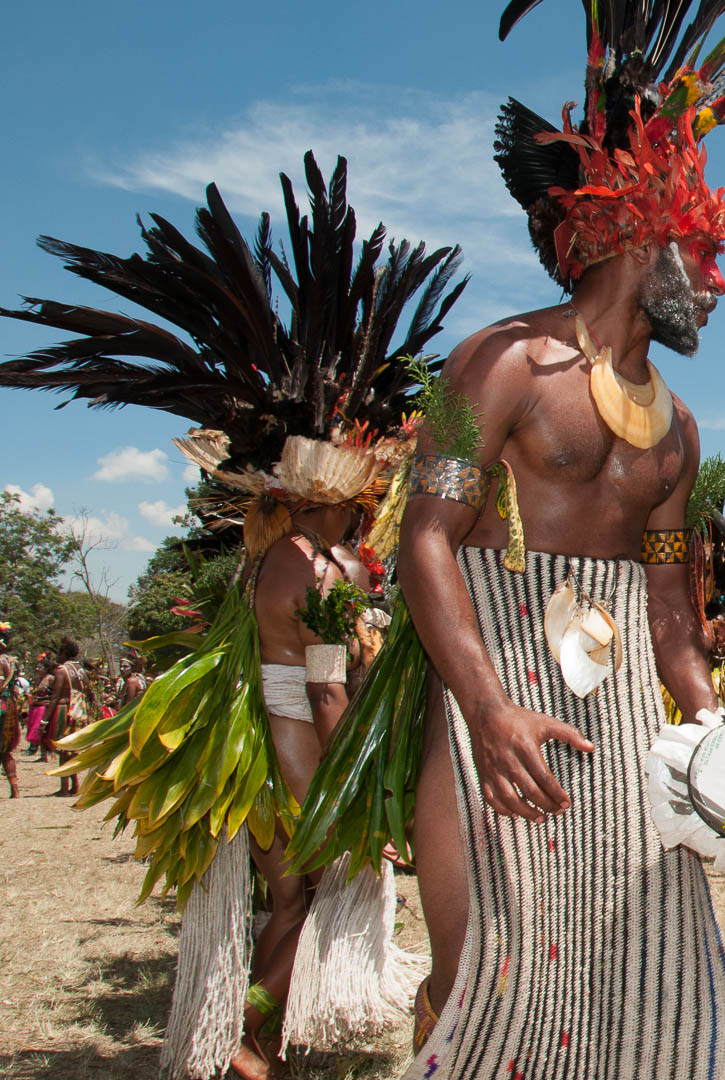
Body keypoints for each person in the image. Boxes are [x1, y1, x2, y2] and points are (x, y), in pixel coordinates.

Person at [398, 5, 725, 1075]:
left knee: (626, 995)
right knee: (483, 989)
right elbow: (426, 542)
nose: (718, 287)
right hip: (493, 722)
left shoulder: (677, 429)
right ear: (649, 235)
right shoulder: (487, 368)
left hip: (625, 736)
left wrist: (722, 722)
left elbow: (673, 612)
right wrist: (489, 711)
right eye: (708, 255)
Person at [4, 152, 458, 1079]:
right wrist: (349, 789)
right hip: (296, 735)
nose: (373, 489)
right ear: (324, 486)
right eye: (363, 477)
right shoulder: (300, 566)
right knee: (292, 897)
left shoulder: (313, 555)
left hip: (295, 725)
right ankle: (252, 1041)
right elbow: (325, 690)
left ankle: (258, 1035)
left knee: (294, 896)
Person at [47, 638, 86, 798]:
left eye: (58, 653)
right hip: (80, 710)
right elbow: (89, 691)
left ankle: (65, 787)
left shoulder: (62, 670)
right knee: (72, 748)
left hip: (65, 710)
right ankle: (75, 785)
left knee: (63, 748)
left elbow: (55, 697)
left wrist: (44, 720)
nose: (56, 656)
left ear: (64, 653)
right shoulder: (80, 669)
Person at [0, 628, 20, 798]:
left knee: (4, 750)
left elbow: (4, 685)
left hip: (3, 707)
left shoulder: (3, 661)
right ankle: (14, 790)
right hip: (6, 706)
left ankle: (15, 789)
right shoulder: (7, 661)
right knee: (4, 751)